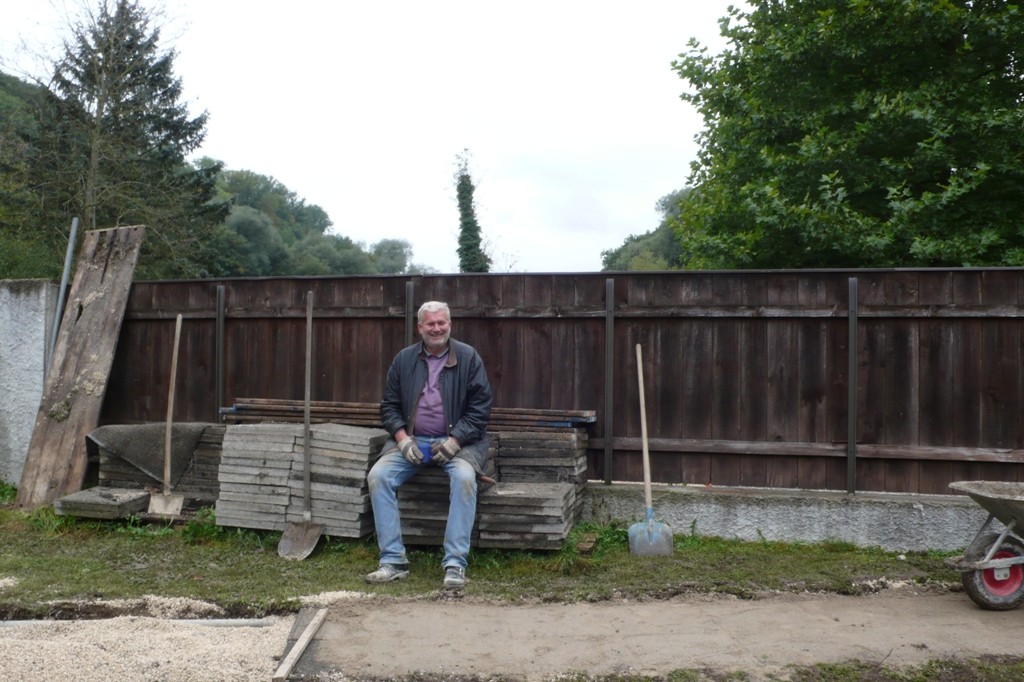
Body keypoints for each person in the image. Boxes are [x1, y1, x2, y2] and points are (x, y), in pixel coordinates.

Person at [365, 300, 492, 589]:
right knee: (378, 476)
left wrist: (455, 441)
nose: (437, 328)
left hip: (461, 442)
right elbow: (389, 407)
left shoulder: (469, 358)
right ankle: (393, 561)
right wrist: (402, 439)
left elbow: (480, 409)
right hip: (414, 440)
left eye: (441, 322)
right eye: (430, 324)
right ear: (420, 327)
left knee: (464, 478)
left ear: (450, 324)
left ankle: (455, 564)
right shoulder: (404, 359)